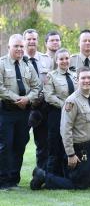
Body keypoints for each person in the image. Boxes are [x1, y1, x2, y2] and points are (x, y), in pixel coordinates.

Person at [30, 67, 90, 190]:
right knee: (79, 185)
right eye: (83, 78)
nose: (86, 80)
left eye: (89, 78)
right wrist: (71, 154)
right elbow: (65, 130)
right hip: (80, 148)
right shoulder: (72, 101)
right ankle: (44, 176)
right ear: (77, 81)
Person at [0, 34, 41, 190]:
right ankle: (3, 181)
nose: (19, 49)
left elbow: (37, 87)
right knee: (5, 146)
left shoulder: (27, 65)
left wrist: (27, 99)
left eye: (21, 47)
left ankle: (13, 180)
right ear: (9, 47)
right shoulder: (2, 64)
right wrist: (18, 98)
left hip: (24, 112)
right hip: (7, 111)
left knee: (19, 145)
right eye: (16, 46)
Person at [43, 48, 77, 176]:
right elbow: (49, 96)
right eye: (61, 59)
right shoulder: (50, 76)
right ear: (56, 61)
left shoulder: (75, 75)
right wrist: (65, 106)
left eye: (66, 58)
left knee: (70, 144)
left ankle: (68, 175)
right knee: (55, 145)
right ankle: (51, 176)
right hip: (57, 114)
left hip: (73, 115)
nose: (64, 61)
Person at [23, 29, 53, 171]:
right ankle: (9, 176)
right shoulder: (19, 60)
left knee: (43, 143)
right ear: (24, 41)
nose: (31, 42)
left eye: (34, 39)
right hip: (24, 107)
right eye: (29, 39)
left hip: (43, 107)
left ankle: (42, 173)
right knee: (19, 142)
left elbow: (52, 81)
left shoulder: (47, 60)